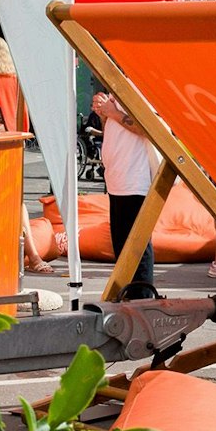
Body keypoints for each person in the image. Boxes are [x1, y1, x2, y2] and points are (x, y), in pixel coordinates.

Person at [92, 90, 159, 296]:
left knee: (136, 248)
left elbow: (147, 127)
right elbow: (115, 131)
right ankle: (130, 296)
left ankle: (142, 299)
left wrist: (112, 113)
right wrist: (105, 114)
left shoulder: (136, 87)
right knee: (123, 247)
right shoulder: (119, 86)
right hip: (119, 178)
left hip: (134, 179)